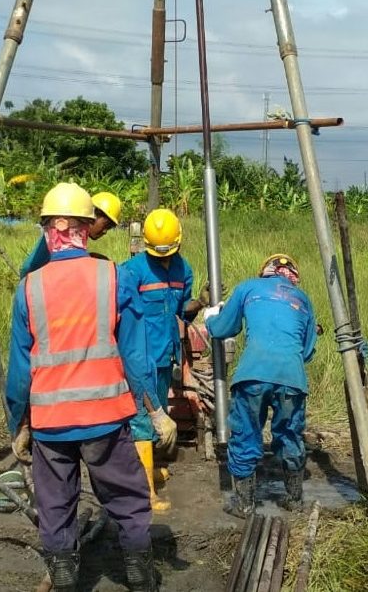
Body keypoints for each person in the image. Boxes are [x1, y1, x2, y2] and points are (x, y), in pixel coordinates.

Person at [6, 182, 159, 592]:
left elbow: (19, 372)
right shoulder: (113, 277)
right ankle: (140, 574)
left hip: (51, 424)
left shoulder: (29, 288)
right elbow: (137, 358)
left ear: (49, 230)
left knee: (55, 504)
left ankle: (62, 572)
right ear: (86, 227)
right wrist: (157, 410)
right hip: (106, 419)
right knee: (127, 499)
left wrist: (18, 423)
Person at [204, 253, 317, 518]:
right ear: (293, 277)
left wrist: (211, 317)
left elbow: (222, 329)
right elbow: (308, 351)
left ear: (265, 271)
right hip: (292, 379)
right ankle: (295, 500)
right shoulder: (303, 300)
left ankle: (244, 504)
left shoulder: (248, 288)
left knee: (245, 434)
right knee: (290, 434)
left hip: (253, 374)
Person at [120, 208, 209, 512]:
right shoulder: (131, 272)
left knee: (158, 418)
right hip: (138, 359)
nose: (163, 259)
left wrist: (201, 302)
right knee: (143, 420)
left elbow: (182, 310)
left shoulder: (182, 270)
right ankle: (144, 493)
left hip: (164, 357)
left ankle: (151, 469)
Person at [19, 190, 122, 277]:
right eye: (106, 225)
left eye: (110, 228)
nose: (105, 231)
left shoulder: (76, 237)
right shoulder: (59, 234)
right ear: (94, 215)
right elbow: (28, 267)